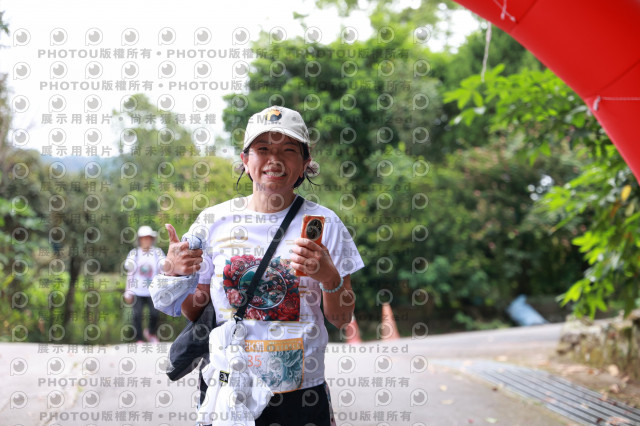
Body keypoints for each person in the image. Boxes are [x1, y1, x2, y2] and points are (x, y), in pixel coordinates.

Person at [154, 105, 365, 425]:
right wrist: (175, 273)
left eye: (288, 150)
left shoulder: (326, 224)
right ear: (245, 160)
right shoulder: (213, 221)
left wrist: (329, 277)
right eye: (263, 149)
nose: (274, 159)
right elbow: (196, 311)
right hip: (230, 392)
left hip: (300, 396)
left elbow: (341, 317)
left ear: (305, 162)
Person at [124, 225, 165, 343]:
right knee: (137, 314)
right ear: (140, 239)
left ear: (152, 239)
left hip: (153, 291)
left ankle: (151, 333)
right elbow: (130, 274)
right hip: (137, 290)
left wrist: (163, 289)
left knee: (155, 313)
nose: (146, 240)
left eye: (148, 238)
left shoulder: (157, 253)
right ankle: (139, 339)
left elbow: (162, 271)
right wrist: (128, 291)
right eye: (144, 238)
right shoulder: (134, 254)